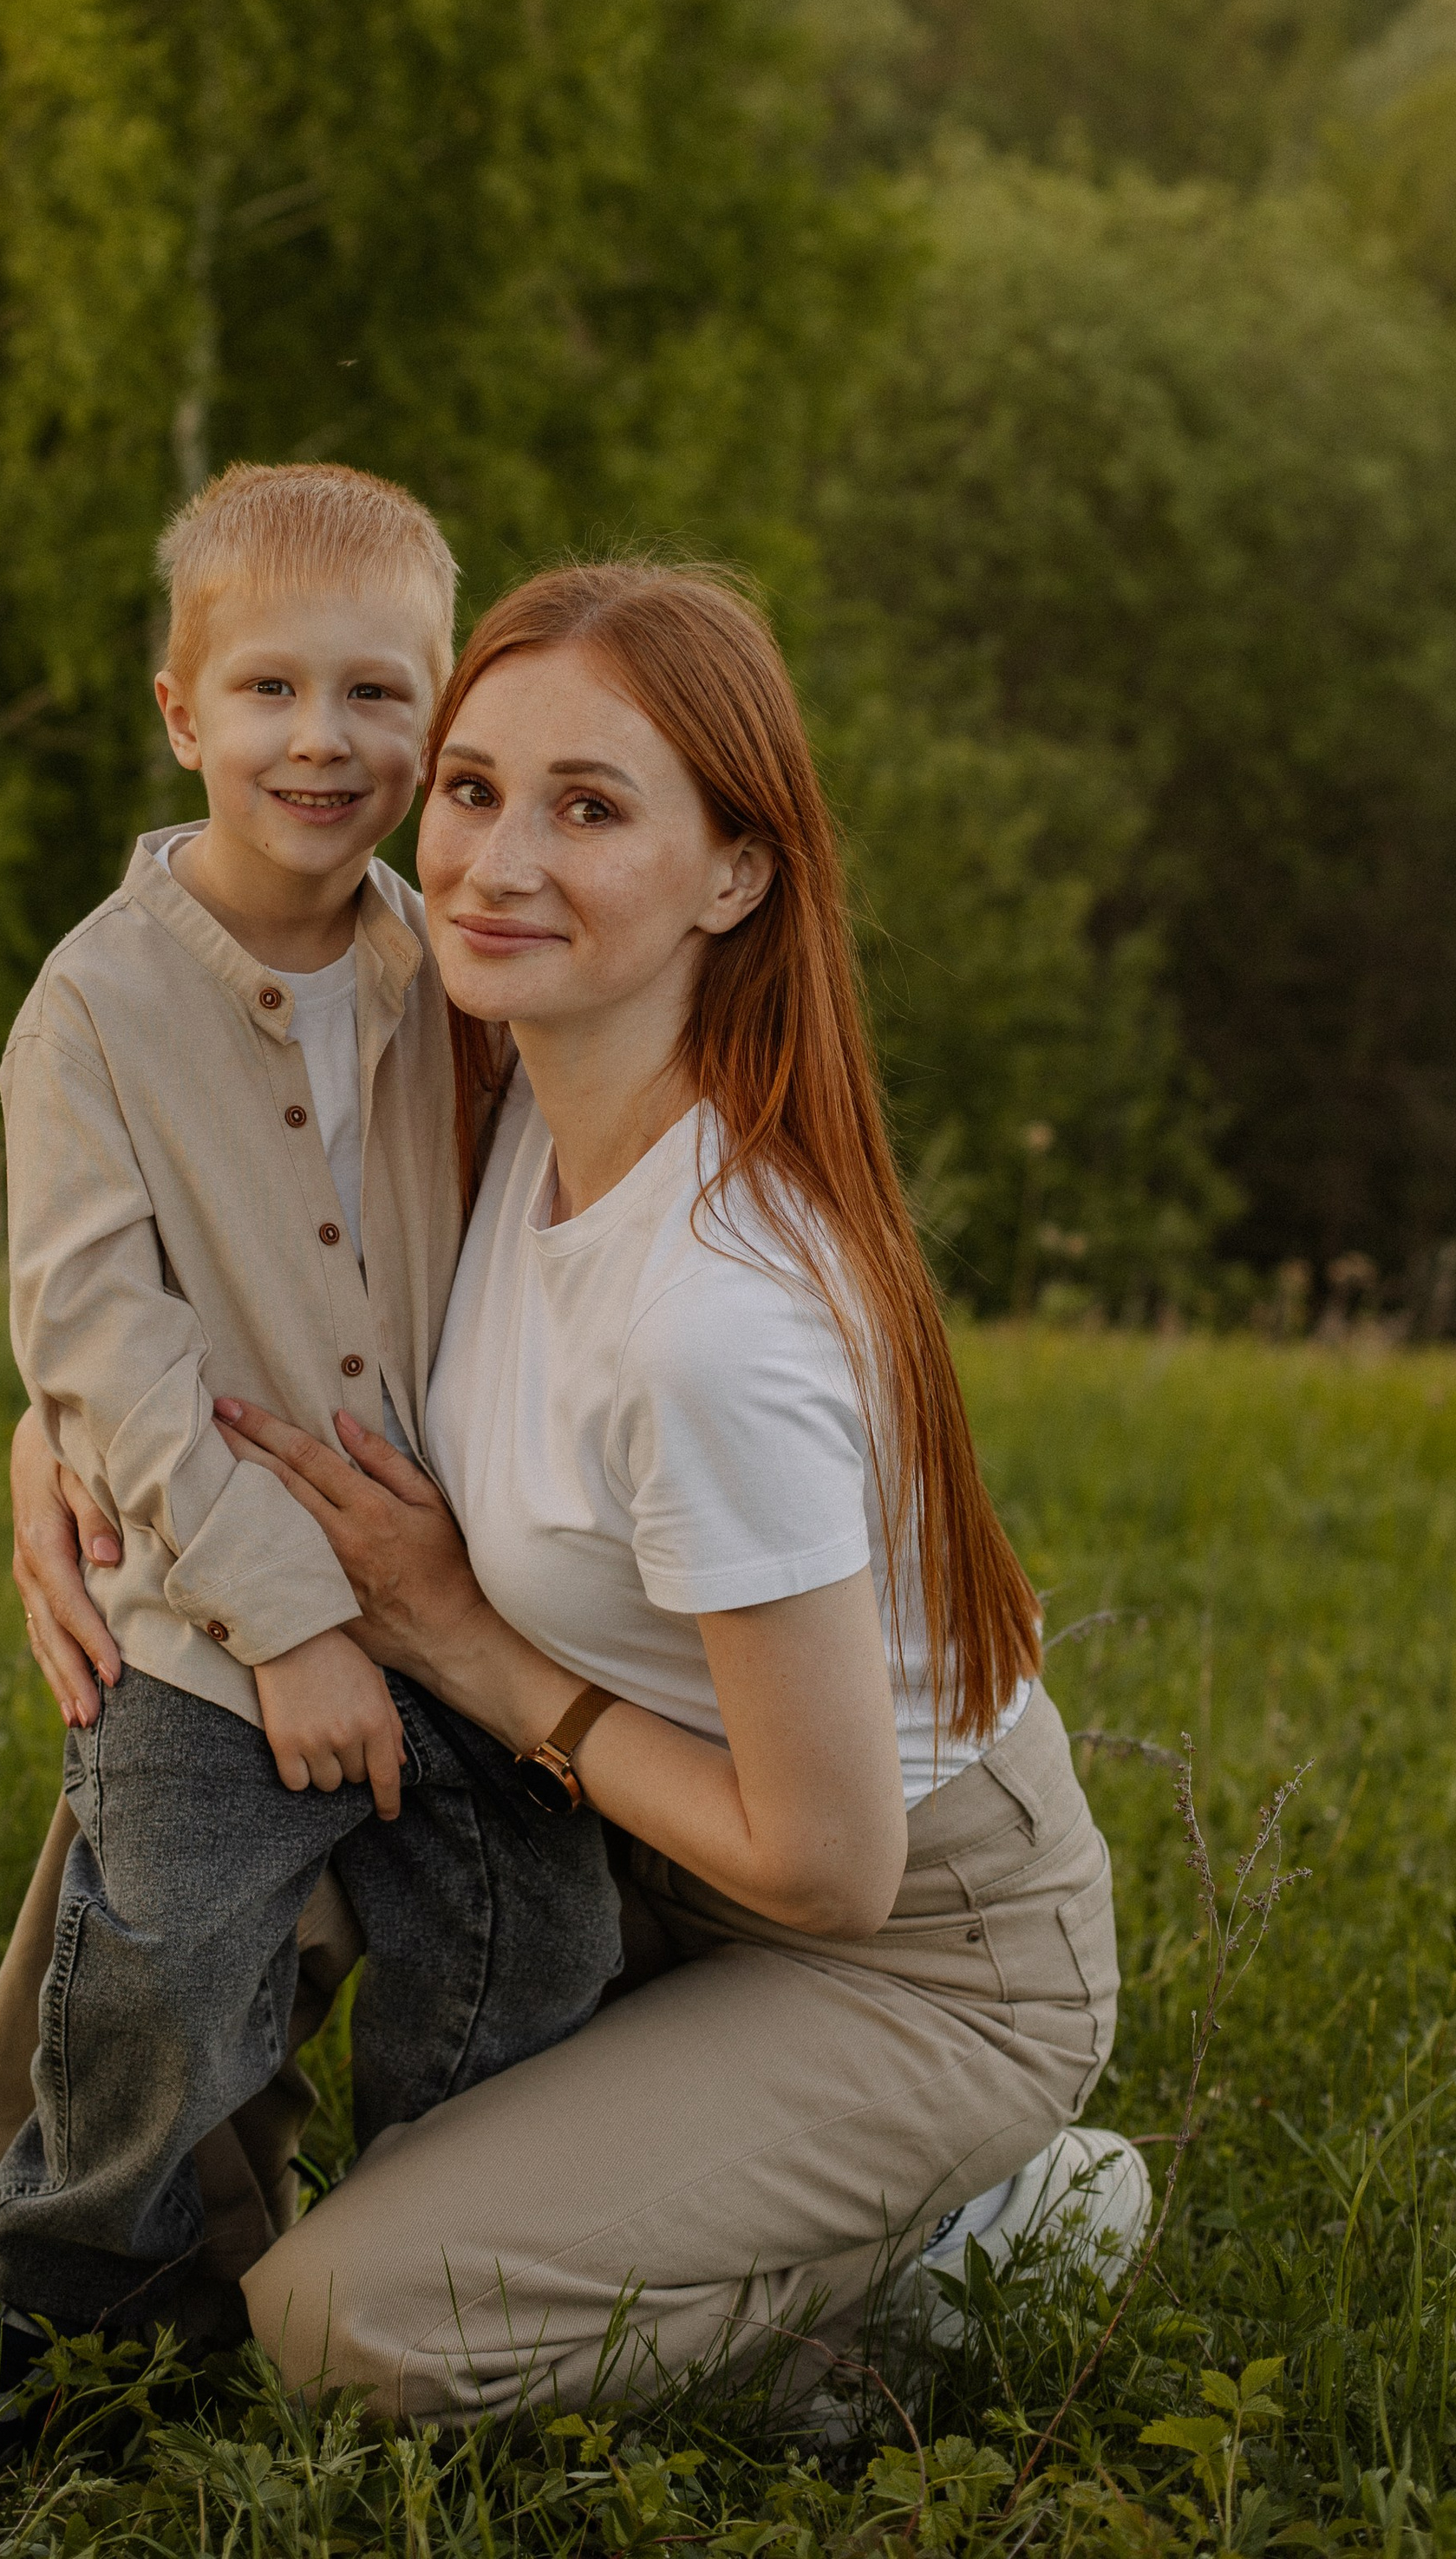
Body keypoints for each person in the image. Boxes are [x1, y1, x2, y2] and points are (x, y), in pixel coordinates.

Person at [199, 561, 1147, 2421]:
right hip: (626, 1851)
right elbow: (171, 1253)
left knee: (339, 2328)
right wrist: (42, 1453)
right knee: (183, 1721)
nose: (490, 863)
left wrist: (468, 1647)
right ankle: (59, 2249)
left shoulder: (715, 1318)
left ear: (734, 872)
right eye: (470, 788)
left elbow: (827, 1864)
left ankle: (984, 2237)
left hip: (910, 1957)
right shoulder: (493, 1090)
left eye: (588, 807)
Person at [0, 467, 618, 2474]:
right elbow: (99, 1346)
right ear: (180, 713)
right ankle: (53, 2299)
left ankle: (433, 2267)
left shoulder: (446, 964)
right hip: (207, 1627)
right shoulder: (93, 1008)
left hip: (458, 1597)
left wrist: (407, 1611)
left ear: (438, 719)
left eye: (379, 695)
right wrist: (287, 1622)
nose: (324, 739)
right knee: (165, 1977)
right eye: (269, 689)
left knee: (527, 1932)